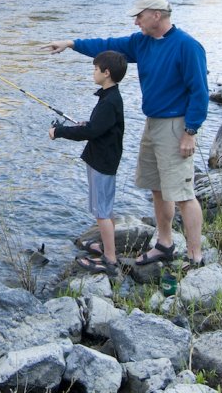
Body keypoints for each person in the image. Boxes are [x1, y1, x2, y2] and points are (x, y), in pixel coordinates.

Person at [43, 0, 209, 270]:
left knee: (182, 194)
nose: (135, 21)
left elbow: (200, 92)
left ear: (156, 15)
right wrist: (71, 44)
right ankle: (164, 244)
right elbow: (107, 45)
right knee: (157, 188)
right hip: (152, 123)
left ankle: (195, 256)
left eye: (139, 16)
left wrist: (190, 132)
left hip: (177, 126)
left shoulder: (188, 47)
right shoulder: (140, 43)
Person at [49, 51, 127, 276]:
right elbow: (98, 127)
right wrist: (88, 124)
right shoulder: (109, 97)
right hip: (103, 159)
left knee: (102, 211)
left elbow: (91, 131)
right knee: (105, 208)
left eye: (95, 69)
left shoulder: (110, 101)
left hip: (102, 162)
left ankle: (110, 260)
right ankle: (107, 245)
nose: (93, 72)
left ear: (106, 72)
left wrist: (59, 132)